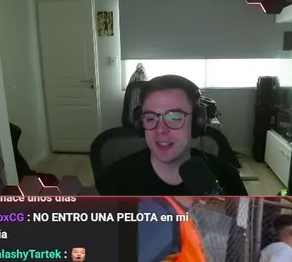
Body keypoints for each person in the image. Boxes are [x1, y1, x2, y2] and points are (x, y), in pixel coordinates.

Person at [96, 75, 247, 196]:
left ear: (197, 122)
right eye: (151, 118)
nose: (160, 129)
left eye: (174, 117)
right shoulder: (114, 180)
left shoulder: (226, 177)